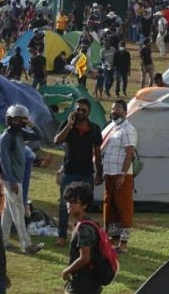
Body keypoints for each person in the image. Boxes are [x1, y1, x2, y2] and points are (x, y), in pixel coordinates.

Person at [53, 99, 103, 248]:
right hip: (69, 172)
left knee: (84, 205)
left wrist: (99, 172)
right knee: (64, 205)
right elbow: (56, 141)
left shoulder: (94, 129)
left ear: (89, 112)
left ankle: (79, 233)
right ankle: (62, 236)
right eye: (78, 109)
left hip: (87, 172)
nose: (80, 112)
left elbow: (97, 152)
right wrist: (69, 125)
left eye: (83, 110)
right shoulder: (67, 126)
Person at [0, 104, 44, 254]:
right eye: (16, 119)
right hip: (12, 179)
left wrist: (31, 124)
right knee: (18, 211)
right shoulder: (6, 137)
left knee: (8, 212)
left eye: (22, 120)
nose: (19, 122)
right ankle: (27, 244)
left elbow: (39, 136)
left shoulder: (19, 134)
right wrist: (11, 181)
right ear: (9, 120)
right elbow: (4, 161)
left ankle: (2, 241)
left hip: (15, 178)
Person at [102, 99, 136, 253]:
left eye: (117, 109)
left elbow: (130, 152)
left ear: (125, 111)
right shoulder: (114, 128)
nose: (113, 111)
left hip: (121, 175)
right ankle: (113, 239)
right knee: (111, 207)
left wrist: (123, 174)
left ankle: (123, 243)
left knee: (123, 208)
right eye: (112, 109)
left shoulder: (128, 129)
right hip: (110, 174)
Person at [61, 181, 102, 293]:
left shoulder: (84, 228)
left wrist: (66, 271)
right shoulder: (85, 223)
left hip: (84, 283)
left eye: (75, 202)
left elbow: (85, 258)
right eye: (68, 200)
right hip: (88, 281)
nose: (70, 204)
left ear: (84, 205)